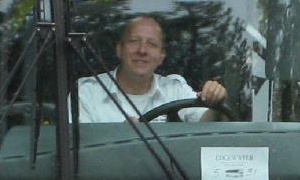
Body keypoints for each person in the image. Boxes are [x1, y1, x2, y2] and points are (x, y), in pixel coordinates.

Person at [75, 14, 227, 123]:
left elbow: (206, 127)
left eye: (152, 44)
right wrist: (119, 139)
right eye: (134, 41)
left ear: (161, 57)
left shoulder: (175, 90)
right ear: (119, 50)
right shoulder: (87, 92)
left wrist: (216, 102)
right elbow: (77, 154)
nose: (142, 50)